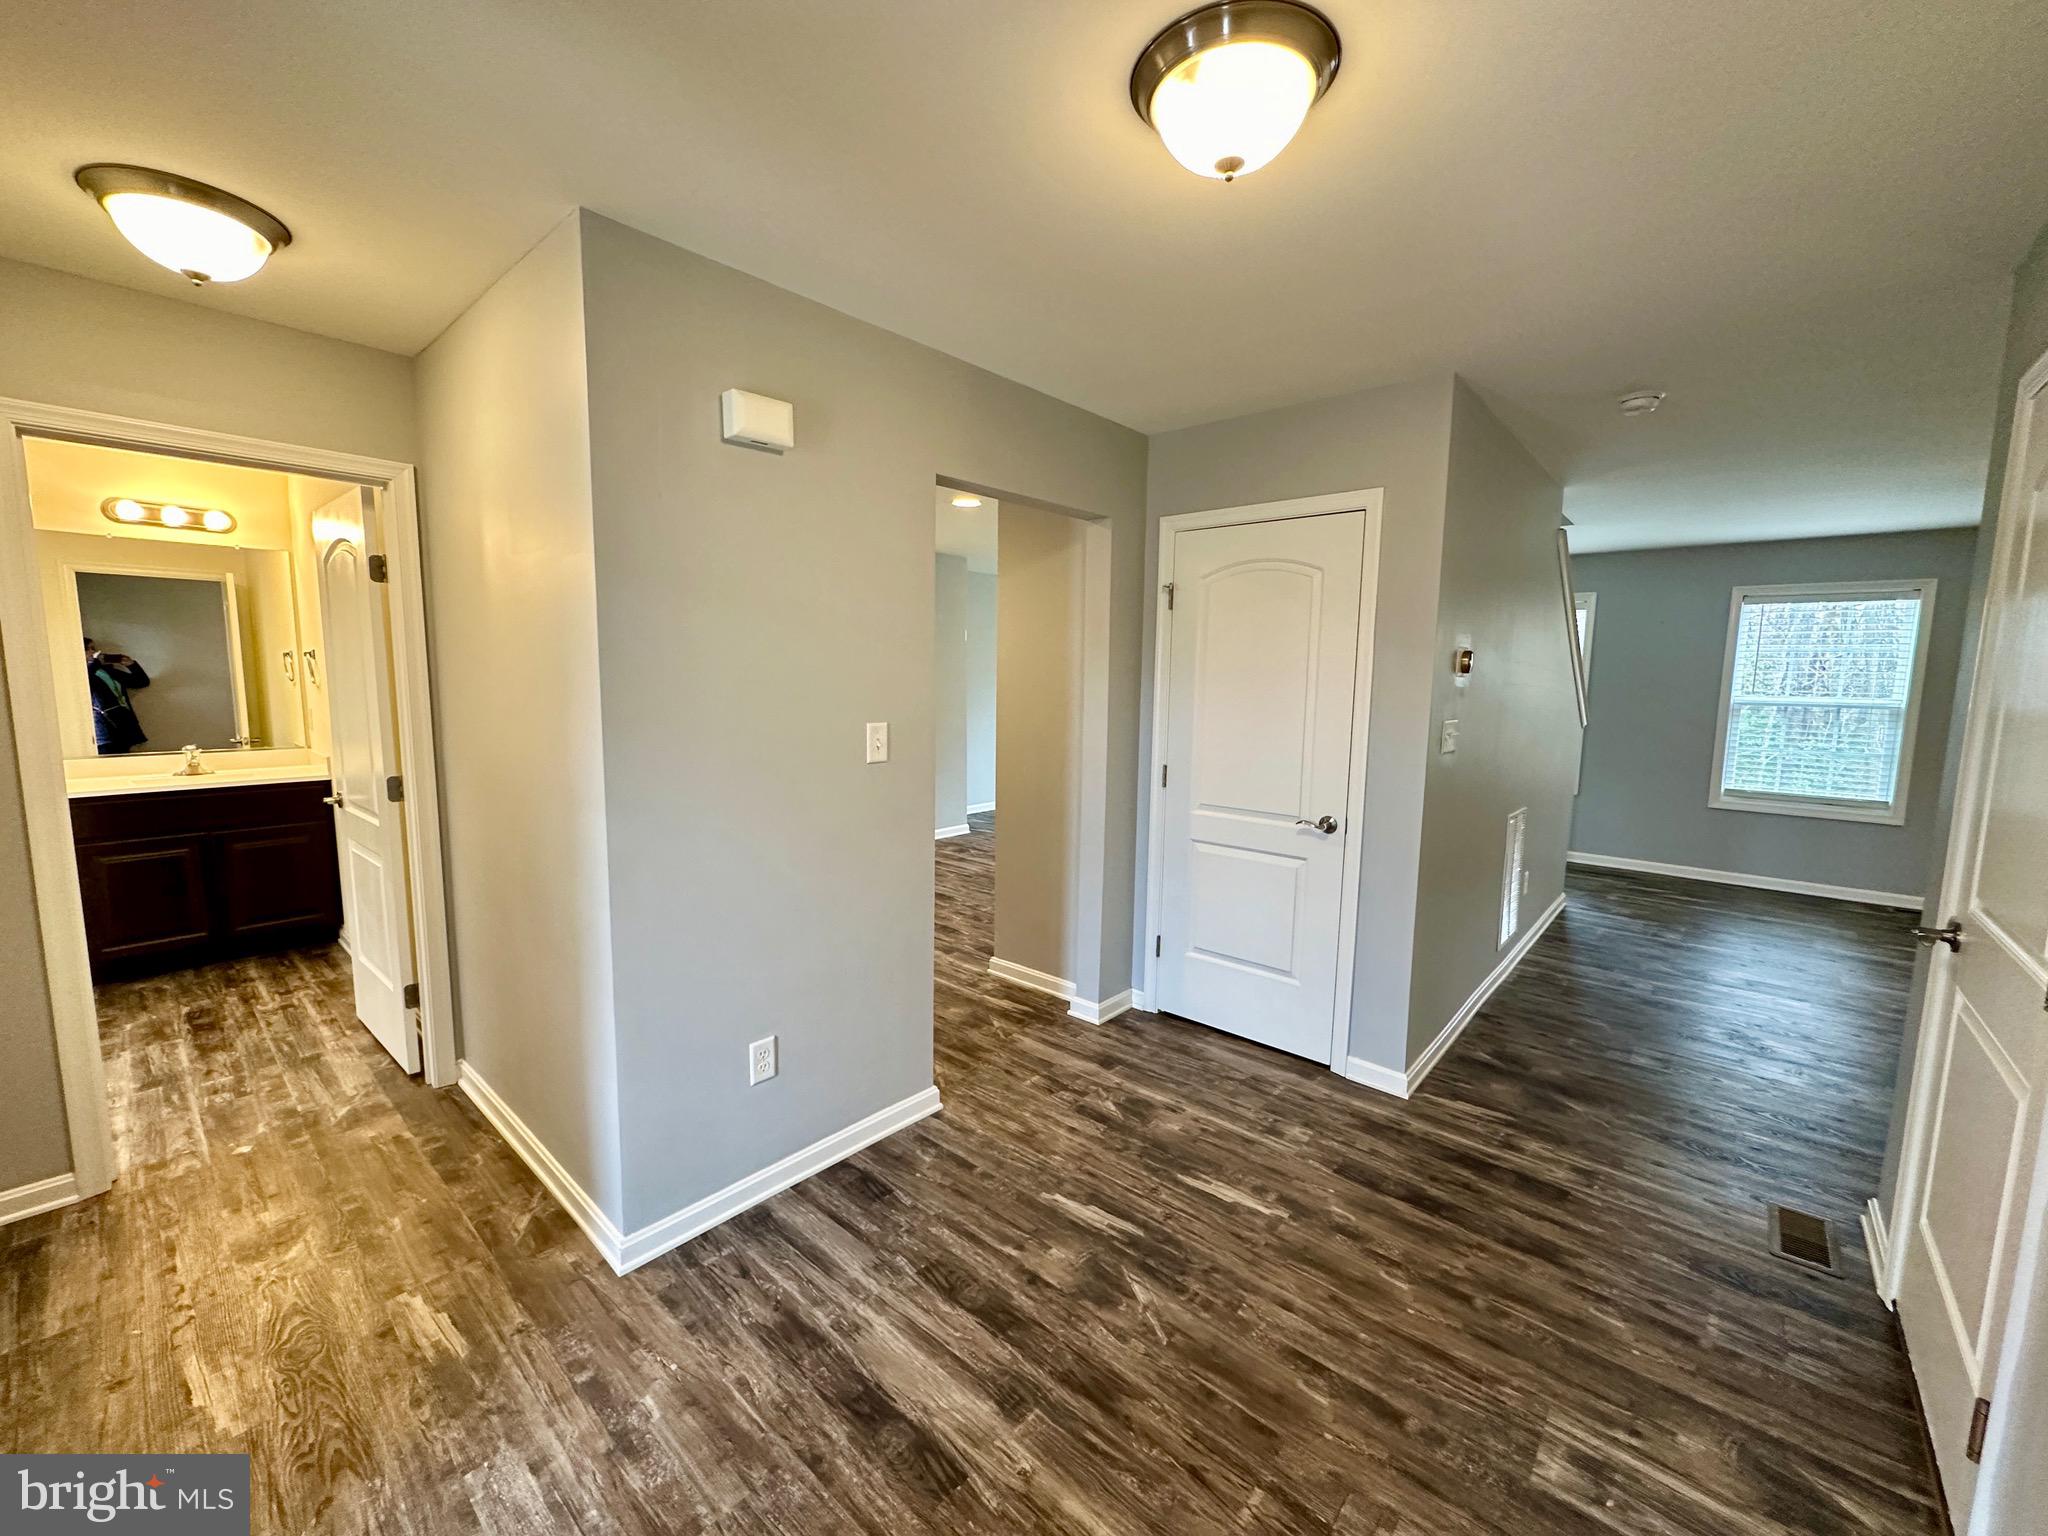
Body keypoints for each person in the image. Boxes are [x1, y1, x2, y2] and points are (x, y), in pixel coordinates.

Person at [85, 637, 150, 754]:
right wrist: (93, 662)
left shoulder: (107, 671)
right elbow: (87, 684)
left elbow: (142, 682)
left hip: (123, 724)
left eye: (93, 648)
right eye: (88, 649)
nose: (93, 652)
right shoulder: (82, 674)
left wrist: (131, 665)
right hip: (103, 728)